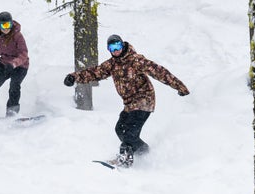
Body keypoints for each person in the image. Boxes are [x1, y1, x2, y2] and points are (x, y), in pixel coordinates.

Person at [64, 34, 189, 168]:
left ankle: (124, 161)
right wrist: (74, 77)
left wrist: (180, 87)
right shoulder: (111, 64)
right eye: (112, 48)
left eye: (118, 46)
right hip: (130, 104)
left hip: (144, 100)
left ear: (123, 45)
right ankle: (145, 153)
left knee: (129, 132)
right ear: (109, 50)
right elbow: (95, 72)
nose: (116, 50)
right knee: (120, 129)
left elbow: (160, 72)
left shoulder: (136, 60)